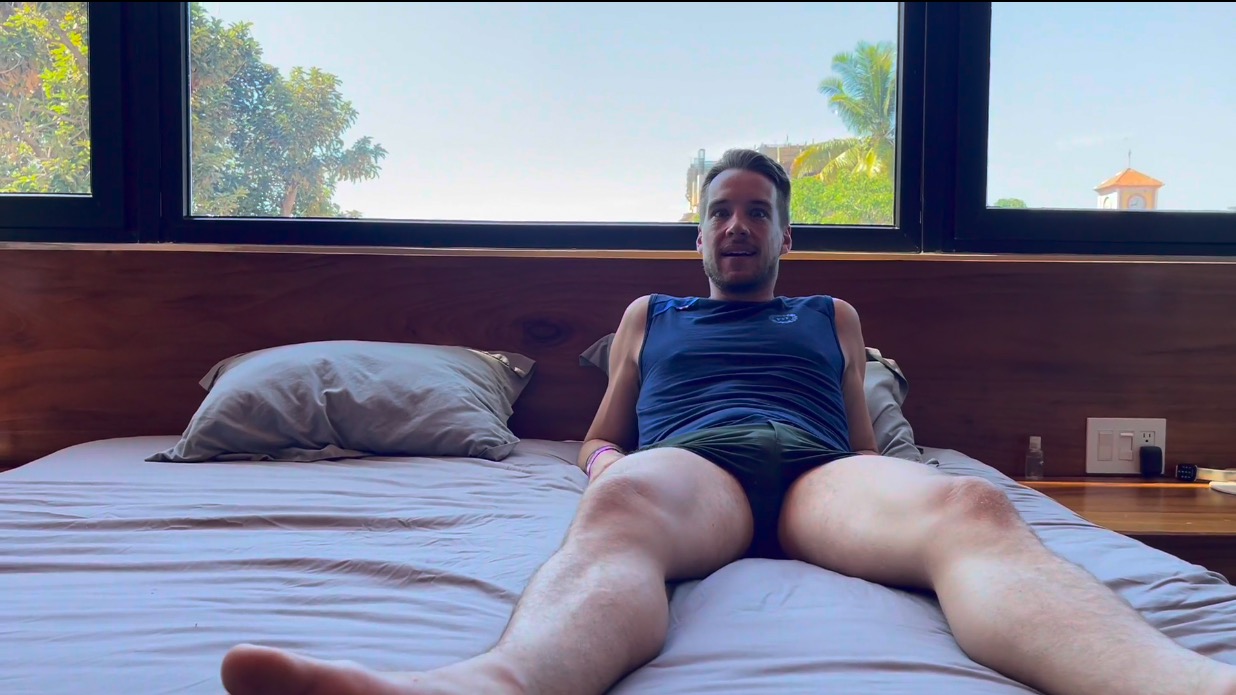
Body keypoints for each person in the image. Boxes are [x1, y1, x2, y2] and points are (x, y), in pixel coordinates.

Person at [219, 149, 1236, 695]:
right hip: (693, 466)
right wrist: (608, 466)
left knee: (972, 505)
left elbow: (865, 443)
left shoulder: (831, 315)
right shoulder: (649, 314)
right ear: (699, 235)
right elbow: (601, 434)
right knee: (619, 504)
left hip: (817, 477)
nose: (736, 224)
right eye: (719, 211)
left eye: (756, 211)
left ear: (786, 234)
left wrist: (903, 486)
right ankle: (486, 686)